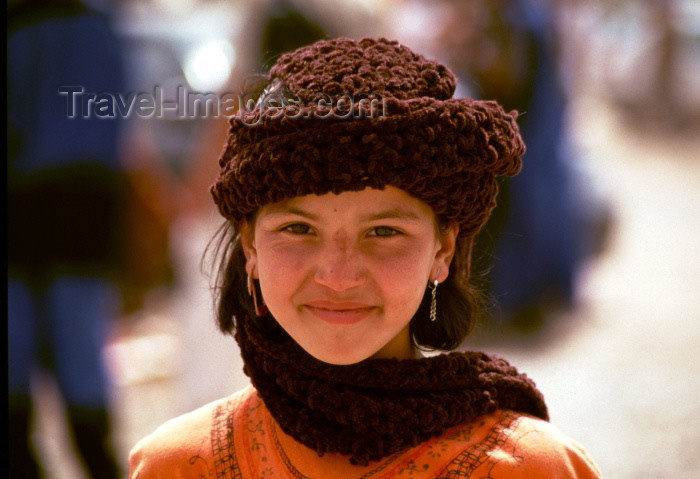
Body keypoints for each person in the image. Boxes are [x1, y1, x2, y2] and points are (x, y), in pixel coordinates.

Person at [128, 37, 601, 478]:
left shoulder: (532, 468)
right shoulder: (176, 465)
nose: (338, 276)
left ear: (443, 249)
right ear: (250, 247)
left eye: (383, 231)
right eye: (298, 229)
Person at [8, 1, 125, 477]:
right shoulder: (102, 23)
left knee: (20, 342)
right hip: (89, 201)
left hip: (28, 202)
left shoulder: (23, 28)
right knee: (80, 344)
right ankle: (99, 458)